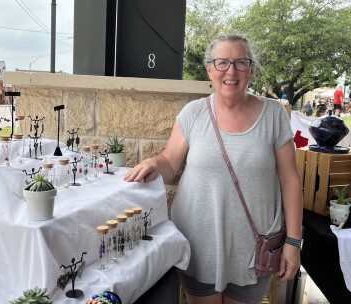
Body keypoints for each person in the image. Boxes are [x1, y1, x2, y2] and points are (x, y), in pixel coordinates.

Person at [123, 34, 303, 304]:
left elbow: (290, 179)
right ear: (209, 69)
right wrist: (153, 163)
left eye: (240, 63)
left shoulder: (274, 115)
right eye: (222, 63)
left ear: (251, 70)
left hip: (254, 251)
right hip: (199, 246)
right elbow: (171, 163)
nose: (231, 71)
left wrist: (294, 243)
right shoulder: (193, 113)